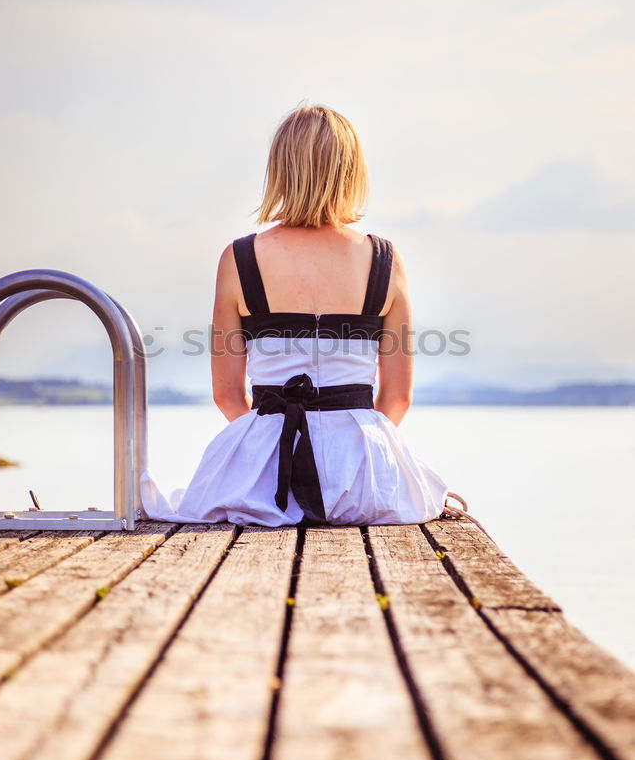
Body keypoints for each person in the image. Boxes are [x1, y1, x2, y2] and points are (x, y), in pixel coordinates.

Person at [140, 101, 468, 527]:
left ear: (280, 169)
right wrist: (355, 462)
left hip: (263, 482)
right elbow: (396, 398)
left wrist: (271, 453)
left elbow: (227, 395)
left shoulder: (240, 258)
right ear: (352, 172)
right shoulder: (384, 258)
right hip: (362, 481)